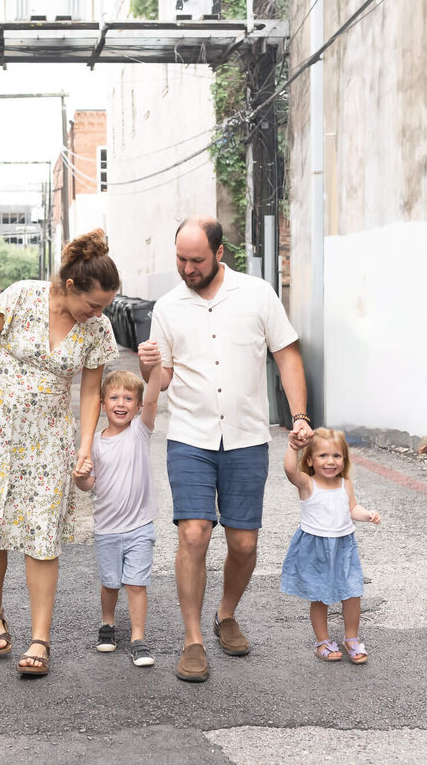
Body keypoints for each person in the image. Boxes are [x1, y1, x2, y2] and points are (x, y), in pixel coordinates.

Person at [141, 216, 313, 683]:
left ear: (219, 254)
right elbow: (164, 379)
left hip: (246, 437)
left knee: (244, 542)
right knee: (193, 535)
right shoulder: (168, 306)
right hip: (191, 437)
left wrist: (299, 417)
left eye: (196, 260)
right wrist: (148, 369)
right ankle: (193, 639)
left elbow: (287, 353)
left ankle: (226, 614)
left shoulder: (256, 294)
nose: (187, 268)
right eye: (180, 259)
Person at [0, 229, 120, 677]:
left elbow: (89, 393)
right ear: (70, 286)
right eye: (94, 303)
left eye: (104, 306)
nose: (98, 313)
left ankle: (40, 638)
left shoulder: (96, 328)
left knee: (42, 531)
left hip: (48, 437)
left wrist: (85, 446)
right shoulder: (21, 297)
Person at [72, 358, 162, 668]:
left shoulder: (139, 431)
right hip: (107, 529)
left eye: (128, 399)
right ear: (101, 403)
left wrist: (156, 365)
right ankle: (108, 625)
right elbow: (88, 485)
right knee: (110, 583)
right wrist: (80, 476)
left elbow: (153, 395)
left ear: (137, 407)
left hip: (139, 526)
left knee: (137, 584)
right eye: (114, 397)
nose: (121, 403)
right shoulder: (93, 443)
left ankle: (138, 638)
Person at [280, 428, 381, 664]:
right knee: (320, 597)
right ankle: (322, 640)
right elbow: (288, 469)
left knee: (353, 592)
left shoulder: (345, 484)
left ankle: (351, 638)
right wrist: (293, 447)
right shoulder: (307, 483)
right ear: (310, 460)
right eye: (323, 456)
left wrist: (366, 515)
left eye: (336, 456)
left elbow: (351, 508)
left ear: (344, 460)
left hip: (344, 547)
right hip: (316, 548)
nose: (330, 461)